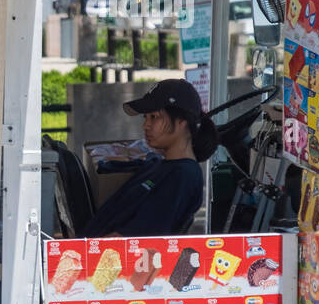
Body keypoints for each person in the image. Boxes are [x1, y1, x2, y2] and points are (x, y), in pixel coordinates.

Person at [82, 78, 219, 237]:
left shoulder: (182, 176)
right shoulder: (157, 165)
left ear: (182, 121)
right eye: (145, 118)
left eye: (154, 117)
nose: (145, 125)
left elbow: (137, 240)